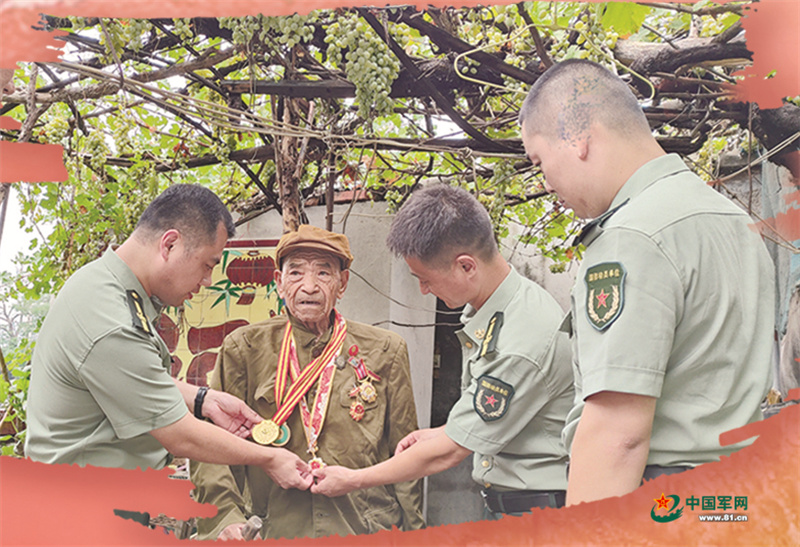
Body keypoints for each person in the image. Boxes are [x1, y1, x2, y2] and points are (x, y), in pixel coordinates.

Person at [518, 59, 775, 505]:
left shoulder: (632, 235)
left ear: (577, 138)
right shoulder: (733, 220)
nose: (546, 183)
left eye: (539, 161)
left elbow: (617, 437)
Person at [25, 184, 312, 491]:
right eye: (207, 265)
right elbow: (181, 436)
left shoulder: (103, 286)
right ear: (170, 244)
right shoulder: (111, 322)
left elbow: (131, 378)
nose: (207, 281)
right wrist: (270, 458)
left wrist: (204, 399)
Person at [311, 184, 574, 516]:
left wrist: (353, 479)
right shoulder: (504, 308)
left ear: (466, 266)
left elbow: (449, 453)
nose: (424, 290)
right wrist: (440, 433)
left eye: (425, 279)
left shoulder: (521, 338)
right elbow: (477, 422)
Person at [190, 224, 424, 540]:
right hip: (274, 531)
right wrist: (225, 520)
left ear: (342, 283)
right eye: (296, 273)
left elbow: (406, 454)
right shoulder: (245, 348)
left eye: (323, 273)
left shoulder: (385, 350)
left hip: (363, 530)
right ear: (279, 282)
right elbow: (212, 446)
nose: (309, 286)